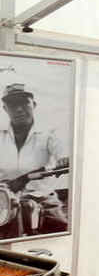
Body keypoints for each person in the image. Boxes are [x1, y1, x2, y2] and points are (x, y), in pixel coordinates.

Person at [0, 83, 69, 239]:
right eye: (12, 104)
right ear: (5, 109)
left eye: (24, 103)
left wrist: (63, 158)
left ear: (34, 104)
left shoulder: (49, 132)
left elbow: (62, 150)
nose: (19, 109)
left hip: (41, 196)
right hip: (3, 198)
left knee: (61, 231)